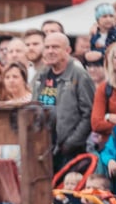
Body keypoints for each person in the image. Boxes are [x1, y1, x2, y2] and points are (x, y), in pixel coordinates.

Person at [35, 32, 96, 172]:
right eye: (47, 47)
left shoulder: (80, 75)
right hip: (43, 149)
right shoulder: (41, 75)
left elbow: (89, 113)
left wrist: (70, 143)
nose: (50, 51)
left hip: (70, 151)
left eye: (55, 47)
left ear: (68, 50)